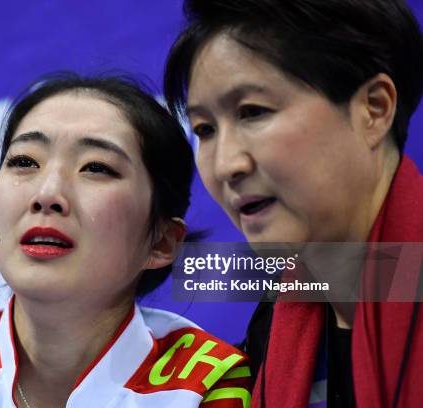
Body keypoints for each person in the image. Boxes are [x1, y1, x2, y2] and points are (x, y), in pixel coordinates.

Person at [0, 74, 252, 408]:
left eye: (96, 167)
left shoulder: (206, 382)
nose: (46, 193)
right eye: (24, 161)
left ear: (162, 242)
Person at [163, 0, 422, 407]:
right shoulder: (274, 320)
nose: (227, 164)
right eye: (205, 129)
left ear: (374, 109)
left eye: (253, 112)